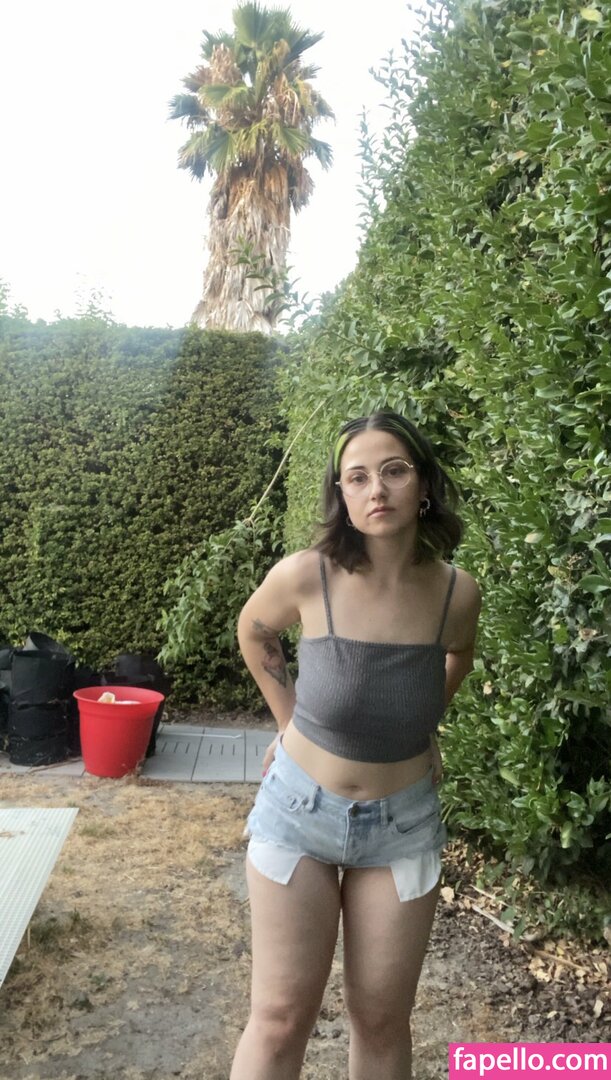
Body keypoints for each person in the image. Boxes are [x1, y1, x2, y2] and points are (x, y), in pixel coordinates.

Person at [229, 409, 482, 1080]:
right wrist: (287, 722)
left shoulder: (456, 593)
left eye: (394, 471)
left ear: (422, 483)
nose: (377, 489)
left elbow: (456, 656)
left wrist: (420, 725)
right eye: (358, 476)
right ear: (340, 493)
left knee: (380, 1019)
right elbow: (254, 630)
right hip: (297, 814)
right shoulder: (307, 575)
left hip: (402, 827)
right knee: (280, 1017)